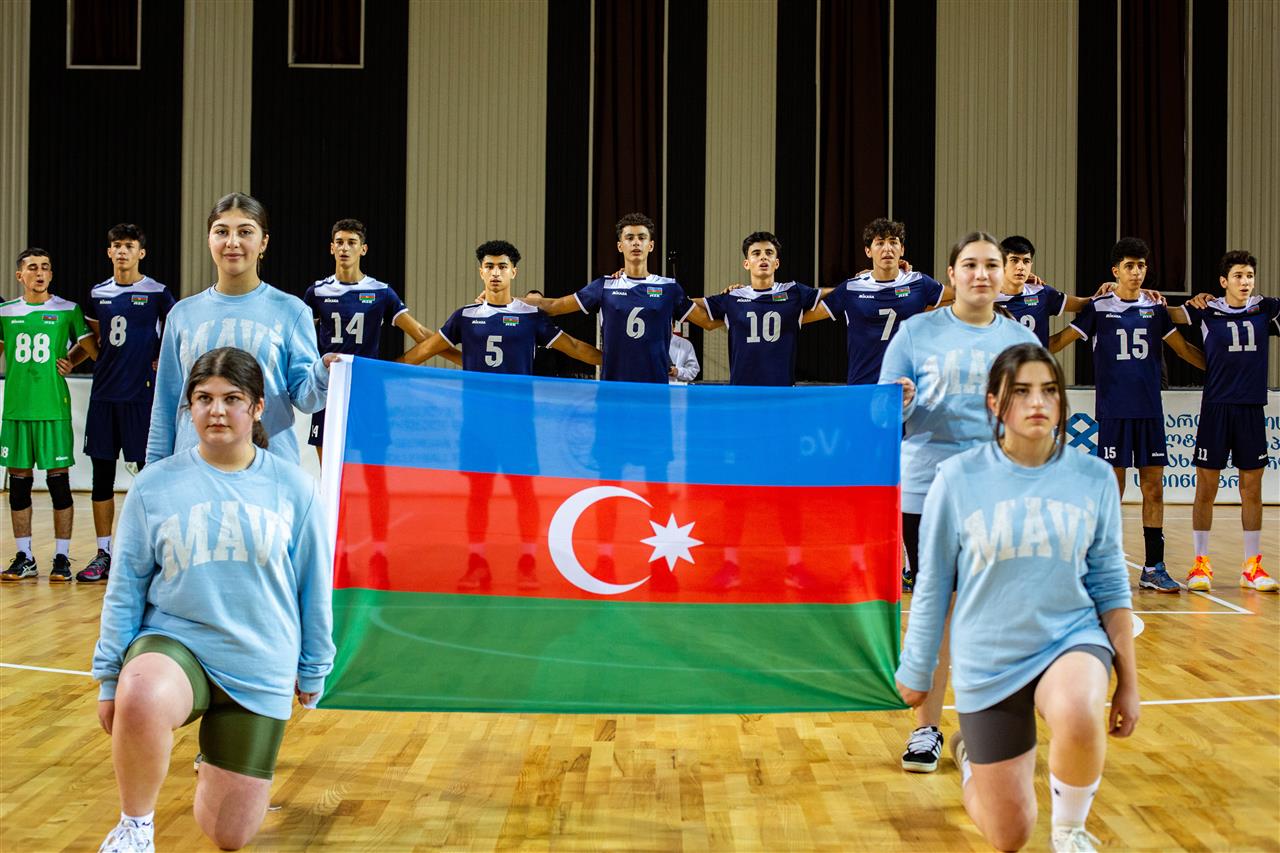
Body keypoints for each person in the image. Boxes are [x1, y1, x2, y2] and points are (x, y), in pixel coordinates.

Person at [896, 343, 1138, 853]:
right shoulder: (957, 479)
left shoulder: (1093, 477)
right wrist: (917, 667)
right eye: (1022, 391)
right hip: (988, 657)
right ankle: (970, 762)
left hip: (1068, 638)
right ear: (994, 404)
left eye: (1049, 390)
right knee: (1008, 833)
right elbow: (934, 583)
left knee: (1078, 710)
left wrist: (1129, 684)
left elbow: (1111, 584)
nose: (1037, 402)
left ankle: (1070, 832)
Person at [91, 347, 334, 853]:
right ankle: (135, 828)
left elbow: (314, 585)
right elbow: (125, 587)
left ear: (258, 408)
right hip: (177, 642)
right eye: (203, 398)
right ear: (189, 408)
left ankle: (215, 760)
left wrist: (314, 667)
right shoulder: (153, 486)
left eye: (232, 399)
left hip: (259, 660)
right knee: (141, 692)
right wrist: (111, 679)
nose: (216, 411)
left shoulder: (295, 488)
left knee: (230, 835)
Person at [879, 231, 1038, 774]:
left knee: (992, 615)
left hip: (997, 492)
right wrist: (899, 403)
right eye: (969, 264)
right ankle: (926, 729)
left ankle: (980, 729)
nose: (981, 274)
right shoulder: (916, 331)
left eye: (991, 265)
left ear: (1003, 275)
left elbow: (1039, 421)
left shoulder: (1021, 341)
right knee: (937, 612)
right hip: (926, 490)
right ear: (951, 275)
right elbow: (882, 414)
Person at [400, 240, 601, 590]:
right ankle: (476, 563)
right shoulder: (465, 316)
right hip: (477, 424)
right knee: (478, 494)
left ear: (514, 272)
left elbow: (573, 347)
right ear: (481, 272)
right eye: (489, 266)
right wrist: (373, 369)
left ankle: (527, 562)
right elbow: (428, 348)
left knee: (525, 492)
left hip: (518, 424)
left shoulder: (530, 317)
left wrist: (616, 362)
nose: (495, 273)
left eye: (502, 266)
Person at [1050, 237, 1205, 593]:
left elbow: (1182, 350)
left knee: (1154, 488)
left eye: (1141, 266)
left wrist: (1222, 371)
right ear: (1115, 271)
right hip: (1114, 412)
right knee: (1112, 490)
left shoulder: (1156, 308)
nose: (1136, 272)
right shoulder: (1099, 307)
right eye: (1130, 266)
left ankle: (1153, 567)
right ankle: (1100, 565)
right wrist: (1022, 350)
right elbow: (1060, 341)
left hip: (1149, 412)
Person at [146, 193, 333, 466]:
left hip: (270, 468)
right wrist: (154, 469)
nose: (232, 242)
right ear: (209, 239)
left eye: (245, 232)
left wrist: (323, 372)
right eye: (221, 231)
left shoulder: (292, 311)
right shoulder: (181, 315)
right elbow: (165, 404)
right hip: (195, 469)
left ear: (263, 242)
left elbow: (307, 400)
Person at [58, 224, 176, 583]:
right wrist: (71, 361)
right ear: (109, 252)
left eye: (129, 246)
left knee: (147, 475)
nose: (122, 251)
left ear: (141, 252)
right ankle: (103, 553)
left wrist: (162, 359)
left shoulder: (157, 292)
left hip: (141, 396)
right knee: (101, 478)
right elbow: (94, 341)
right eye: (117, 246)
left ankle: (153, 551)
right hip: (104, 396)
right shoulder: (98, 293)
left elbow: (175, 333)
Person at [303, 218, 458, 462]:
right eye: (339, 242)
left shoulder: (381, 292)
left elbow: (420, 333)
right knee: (329, 469)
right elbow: (299, 338)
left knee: (373, 464)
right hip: (330, 387)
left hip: (368, 386)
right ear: (331, 248)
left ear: (363, 249)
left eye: (352, 242)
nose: (345, 248)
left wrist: (398, 366)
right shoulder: (317, 292)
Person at [1167, 250, 1278, 592]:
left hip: (1251, 408)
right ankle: (1200, 563)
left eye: (1249, 276)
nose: (1245, 282)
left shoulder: (1266, 308)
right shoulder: (1206, 309)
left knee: (1252, 489)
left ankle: (1251, 565)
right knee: (1206, 488)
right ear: (1223, 281)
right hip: (1216, 407)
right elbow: (1165, 314)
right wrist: (1138, 294)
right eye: (1238, 276)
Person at [520, 212, 718, 383]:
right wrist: (506, 301)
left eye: (642, 237)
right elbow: (554, 305)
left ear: (651, 245)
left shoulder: (669, 288)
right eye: (629, 238)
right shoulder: (605, 286)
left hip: (655, 387)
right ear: (620, 246)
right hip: (614, 385)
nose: (636, 242)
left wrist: (733, 299)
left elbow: (707, 322)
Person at [0, 248, 95, 582]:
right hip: (16, 410)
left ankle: (61, 557)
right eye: (32, 267)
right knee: (19, 487)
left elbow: (91, 347)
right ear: (20, 275)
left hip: (53, 409)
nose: (39, 273)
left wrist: (72, 361)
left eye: (45, 267)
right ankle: (25, 557)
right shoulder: (5, 312)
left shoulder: (68, 309)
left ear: (51, 274)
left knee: (59, 485)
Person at [818, 218, 950, 386]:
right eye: (880, 243)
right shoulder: (851, 288)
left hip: (906, 386)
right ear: (868, 251)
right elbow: (804, 314)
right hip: (863, 385)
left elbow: (962, 296)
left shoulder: (919, 283)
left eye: (893, 242)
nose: (887, 248)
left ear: (902, 249)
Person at [698, 231, 830, 386]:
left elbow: (839, 293)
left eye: (769, 253)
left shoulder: (793, 292)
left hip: (781, 389)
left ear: (777, 263)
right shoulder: (732, 297)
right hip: (742, 389)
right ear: (746, 264)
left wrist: (854, 284)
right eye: (756, 253)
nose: (763, 257)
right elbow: (688, 305)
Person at [996, 235, 1163, 346]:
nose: (1021, 267)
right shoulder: (986, 299)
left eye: (1026, 261)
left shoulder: (1042, 293)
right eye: (1014, 260)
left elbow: (1085, 303)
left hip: (1032, 374)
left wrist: (1130, 290)